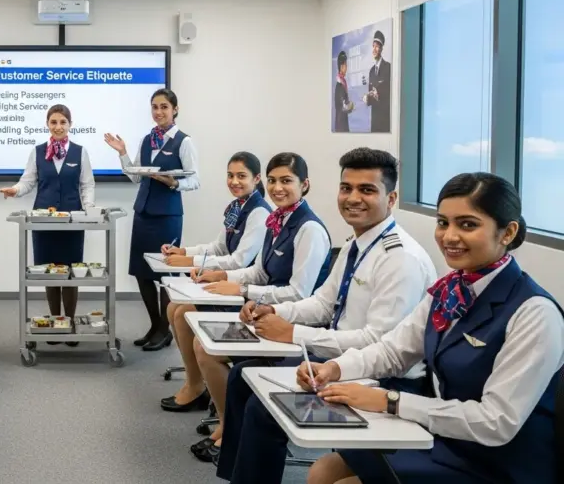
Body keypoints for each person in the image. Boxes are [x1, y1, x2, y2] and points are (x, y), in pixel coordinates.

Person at [305, 172, 563, 484]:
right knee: (323, 470)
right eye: (443, 222)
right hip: (442, 437)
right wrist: (334, 368)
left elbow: (496, 422)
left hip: (497, 463)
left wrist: (391, 402)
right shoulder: (450, 290)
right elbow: (394, 350)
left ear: (507, 232)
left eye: (467, 224)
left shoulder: (534, 312)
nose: (449, 236)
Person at [214, 148, 437, 481]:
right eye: (346, 188)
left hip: (384, 377)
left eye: (367, 190)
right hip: (342, 358)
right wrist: (273, 310)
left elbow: (379, 343)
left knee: (264, 405)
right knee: (245, 377)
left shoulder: (399, 258)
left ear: (391, 198)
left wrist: (293, 334)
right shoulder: (357, 244)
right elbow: (321, 303)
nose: (353, 198)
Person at [188, 152, 331, 460]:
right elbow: (261, 271)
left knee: (210, 351)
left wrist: (242, 289)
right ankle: (229, 424)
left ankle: (230, 431)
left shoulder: (310, 230)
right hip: (266, 314)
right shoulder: (277, 220)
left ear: (305, 185)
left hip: (295, 326)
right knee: (203, 345)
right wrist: (224, 276)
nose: (278, 187)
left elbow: (299, 293)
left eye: (286, 181)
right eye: (273, 181)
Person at [159, 151, 270, 413]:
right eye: (230, 175)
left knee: (183, 312)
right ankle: (196, 382)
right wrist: (185, 252)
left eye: (241, 176)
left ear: (256, 179)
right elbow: (219, 247)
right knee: (174, 309)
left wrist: (194, 264)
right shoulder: (237, 207)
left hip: (241, 292)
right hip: (230, 283)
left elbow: (239, 260)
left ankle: (197, 387)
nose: (234, 181)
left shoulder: (259, 213)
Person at [104, 88, 200, 351]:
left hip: (167, 216)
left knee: (165, 275)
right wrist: (122, 152)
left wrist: (173, 183)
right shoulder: (148, 140)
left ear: (175, 110)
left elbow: (194, 180)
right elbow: (136, 175)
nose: (159, 112)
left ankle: (164, 329)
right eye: (155, 107)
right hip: (144, 213)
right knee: (142, 274)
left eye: (164, 107)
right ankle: (155, 325)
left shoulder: (183, 141)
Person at [0, 104, 95, 344]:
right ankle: (56, 323)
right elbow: (28, 181)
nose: (58, 127)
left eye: (63, 122)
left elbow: (87, 184)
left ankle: (70, 324)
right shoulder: (38, 151)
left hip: (72, 221)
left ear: (70, 124)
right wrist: (14, 190)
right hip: (43, 220)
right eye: (53, 122)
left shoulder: (80, 152)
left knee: (71, 273)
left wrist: (89, 208)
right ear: (47, 124)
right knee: (50, 272)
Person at [364, 30, 391, 134]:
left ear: (381, 48)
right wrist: (367, 98)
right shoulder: (371, 71)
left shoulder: (388, 67)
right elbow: (370, 96)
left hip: (385, 122)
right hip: (374, 123)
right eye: (373, 46)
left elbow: (389, 93)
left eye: (377, 46)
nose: (374, 49)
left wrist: (378, 93)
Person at [334, 50, 354, 133]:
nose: (346, 67)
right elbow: (343, 107)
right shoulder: (339, 85)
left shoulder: (342, 82)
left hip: (342, 122)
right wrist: (351, 105)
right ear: (341, 67)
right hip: (341, 125)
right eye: (346, 65)